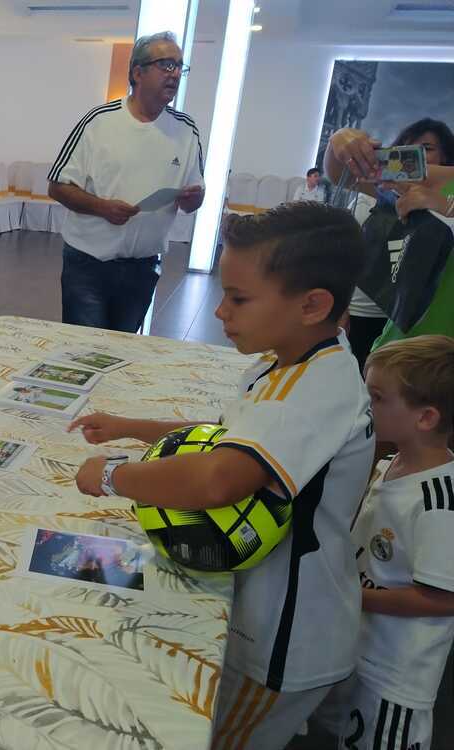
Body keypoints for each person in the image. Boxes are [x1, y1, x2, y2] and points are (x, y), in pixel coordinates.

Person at [70, 203, 375, 749]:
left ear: (312, 305)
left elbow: (219, 479)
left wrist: (116, 475)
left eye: (239, 298)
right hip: (268, 610)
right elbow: (230, 434)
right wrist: (131, 427)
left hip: (280, 640)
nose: (219, 313)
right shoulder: (297, 361)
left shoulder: (313, 388)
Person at [322, 336, 454, 750]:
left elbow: (443, 598)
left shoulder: (439, 503)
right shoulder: (390, 462)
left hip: (393, 676)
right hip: (355, 647)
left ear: (426, 417)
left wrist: (350, 595)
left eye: (376, 396)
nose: (364, 403)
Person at [47, 31, 205, 333]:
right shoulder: (98, 121)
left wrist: (192, 198)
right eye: (166, 65)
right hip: (89, 265)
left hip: (143, 267)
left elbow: (195, 198)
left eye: (180, 67)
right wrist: (102, 208)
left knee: (120, 354)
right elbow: (57, 185)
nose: (174, 75)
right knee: (84, 352)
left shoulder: (186, 130)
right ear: (137, 72)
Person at [325, 118, 454, 368]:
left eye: (428, 148)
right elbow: (341, 172)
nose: (418, 153)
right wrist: (340, 140)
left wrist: (446, 207)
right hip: (397, 351)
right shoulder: (428, 174)